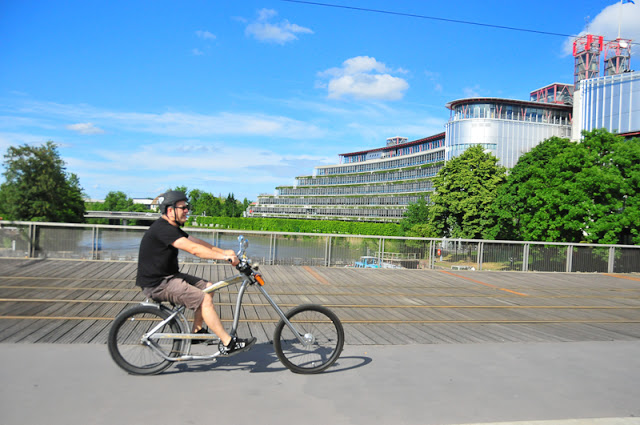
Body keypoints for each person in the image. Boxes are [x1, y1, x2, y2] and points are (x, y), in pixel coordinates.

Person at [135, 190, 256, 355]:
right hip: (158, 284)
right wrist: (225, 258)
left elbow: (196, 242)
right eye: (183, 208)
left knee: (209, 287)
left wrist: (223, 251)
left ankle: (197, 332)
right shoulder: (163, 229)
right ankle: (228, 343)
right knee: (204, 299)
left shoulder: (171, 228)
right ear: (170, 210)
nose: (187, 210)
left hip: (169, 277)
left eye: (187, 207)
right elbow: (194, 249)